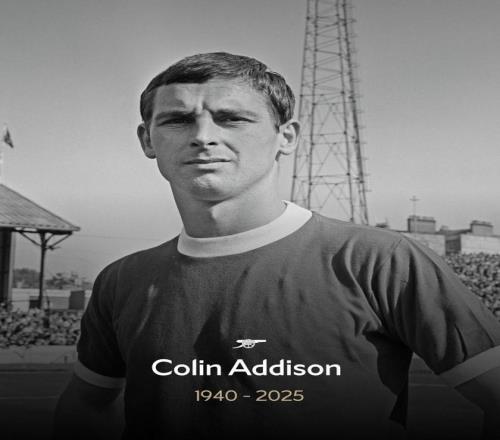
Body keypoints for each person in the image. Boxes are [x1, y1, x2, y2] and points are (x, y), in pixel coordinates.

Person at [53, 52, 500, 440]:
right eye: (177, 119)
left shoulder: (381, 261)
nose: (203, 136)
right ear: (147, 139)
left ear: (286, 136)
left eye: (232, 118)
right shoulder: (121, 280)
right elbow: (87, 406)